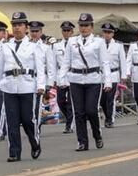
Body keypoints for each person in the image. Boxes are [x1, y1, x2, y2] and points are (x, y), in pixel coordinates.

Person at [0, 12, 46, 162]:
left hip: (27, 86)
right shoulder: (6, 46)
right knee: (11, 121)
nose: (17, 28)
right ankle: (14, 152)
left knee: (28, 120)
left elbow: (40, 68)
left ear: (26, 27)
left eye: (20, 25)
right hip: (9, 87)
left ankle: (35, 142)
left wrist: (41, 86)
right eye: (14, 25)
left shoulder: (33, 46)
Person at [58, 13, 112, 151]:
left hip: (93, 79)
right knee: (79, 112)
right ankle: (82, 141)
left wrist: (108, 81)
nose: (83, 28)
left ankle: (97, 134)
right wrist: (61, 78)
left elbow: (104, 62)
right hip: (75, 79)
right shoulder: (72, 41)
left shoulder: (98, 42)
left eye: (86, 25)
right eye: (81, 25)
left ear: (92, 27)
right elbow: (66, 62)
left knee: (91, 110)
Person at [99, 23, 127, 128]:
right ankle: (107, 115)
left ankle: (110, 119)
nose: (107, 35)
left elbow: (122, 61)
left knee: (110, 99)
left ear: (113, 33)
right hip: (101, 75)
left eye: (109, 32)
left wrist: (124, 75)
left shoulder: (118, 45)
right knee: (102, 100)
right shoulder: (98, 44)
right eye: (105, 32)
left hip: (113, 74)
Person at [53, 21, 75, 134]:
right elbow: (53, 63)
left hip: (73, 74)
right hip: (61, 75)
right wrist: (53, 79)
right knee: (60, 101)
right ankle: (71, 117)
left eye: (68, 31)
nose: (66, 33)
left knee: (71, 102)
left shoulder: (76, 44)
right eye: (64, 31)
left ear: (72, 32)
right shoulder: (56, 46)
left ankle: (69, 125)